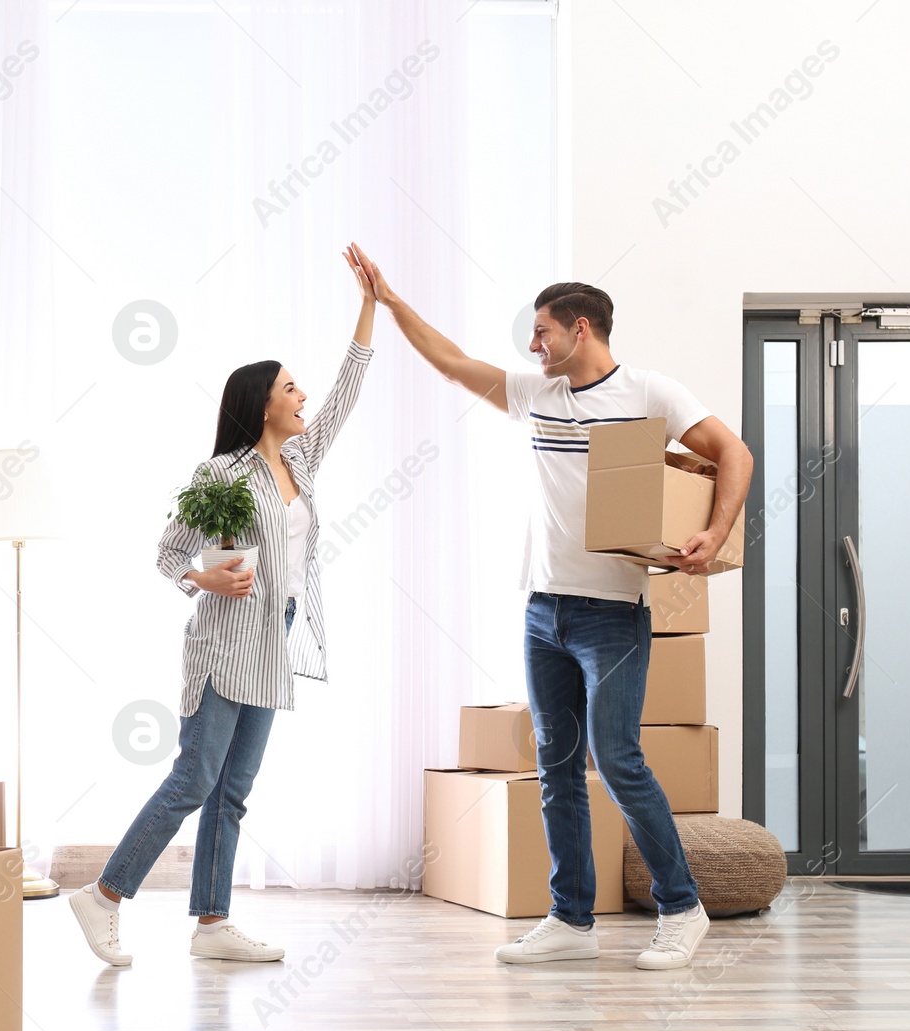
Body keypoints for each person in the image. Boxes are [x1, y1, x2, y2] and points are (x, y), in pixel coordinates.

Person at [350, 243, 751, 969]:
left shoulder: (650, 395)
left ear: (582, 330)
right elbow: (450, 361)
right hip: (544, 611)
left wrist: (714, 532)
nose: (533, 345)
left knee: (618, 758)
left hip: (612, 614)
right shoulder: (540, 395)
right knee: (557, 763)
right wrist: (389, 300)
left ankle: (682, 907)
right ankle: (570, 918)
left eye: (542, 332)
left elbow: (735, 453)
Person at [70, 249, 378, 966]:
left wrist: (371, 304)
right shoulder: (221, 473)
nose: (304, 397)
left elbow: (348, 390)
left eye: (302, 388)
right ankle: (105, 896)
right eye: (291, 388)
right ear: (262, 403)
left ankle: (212, 923)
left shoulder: (301, 461)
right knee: (194, 777)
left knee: (233, 789)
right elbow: (169, 553)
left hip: (278, 632)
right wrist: (203, 583)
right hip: (222, 641)